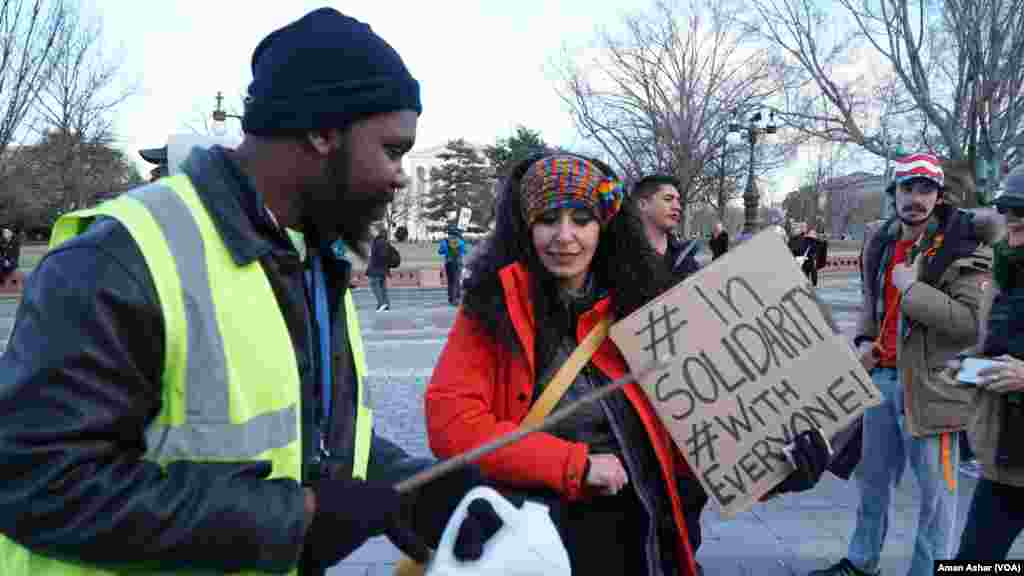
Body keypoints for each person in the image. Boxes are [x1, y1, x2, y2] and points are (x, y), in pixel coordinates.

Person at [0, 9, 479, 576]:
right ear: (323, 131)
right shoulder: (119, 257)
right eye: (393, 150)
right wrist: (297, 516)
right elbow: (37, 481)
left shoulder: (311, 255)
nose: (400, 176)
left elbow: (309, 431)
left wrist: (404, 485)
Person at [425, 152, 830, 575]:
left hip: (648, 542)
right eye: (548, 219)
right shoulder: (491, 309)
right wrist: (573, 465)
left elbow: (695, 429)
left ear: (604, 226)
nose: (565, 237)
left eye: (581, 219)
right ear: (527, 227)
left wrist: (772, 469)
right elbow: (453, 424)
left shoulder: (648, 306)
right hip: (538, 544)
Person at [811, 153, 998, 576]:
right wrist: (863, 340)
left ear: (938, 195)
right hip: (881, 381)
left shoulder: (965, 245)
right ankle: (861, 562)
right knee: (872, 486)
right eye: (908, 189)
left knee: (936, 497)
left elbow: (970, 325)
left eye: (925, 190)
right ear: (895, 193)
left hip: (933, 390)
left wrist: (912, 291)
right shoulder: (879, 240)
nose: (916, 198)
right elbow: (870, 304)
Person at [952, 165, 1024, 561]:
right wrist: (966, 369)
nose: (1013, 221)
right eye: (1008, 211)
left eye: (1023, 213)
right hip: (1004, 463)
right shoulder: (1002, 275)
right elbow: (992, 354)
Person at [631, 174, 701, 278]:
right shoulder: (617, 255)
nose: (677, 207)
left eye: (678, 201)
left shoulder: (686, 260)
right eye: (668, 199)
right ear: (642, 205)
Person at [438, 225, 465, 305]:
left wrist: (446, 251)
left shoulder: (445, 241)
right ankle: (457, 298)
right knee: (457, 280)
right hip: (458, 263)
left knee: (450, 281)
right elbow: (464, 251)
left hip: (449, 263)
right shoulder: (460, 241)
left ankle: (451, 299)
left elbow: (440, 251)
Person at [367, 226, 393, 311]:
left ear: (378, 231)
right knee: (382, 286)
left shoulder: (378, 241)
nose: (371, 231)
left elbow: (380, 255)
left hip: (376, 268)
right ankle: (385, 304)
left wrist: (373, 261)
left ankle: (382, 303)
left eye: (373, 230)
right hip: (381, 268)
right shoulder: (383, 241)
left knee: (374, 285)